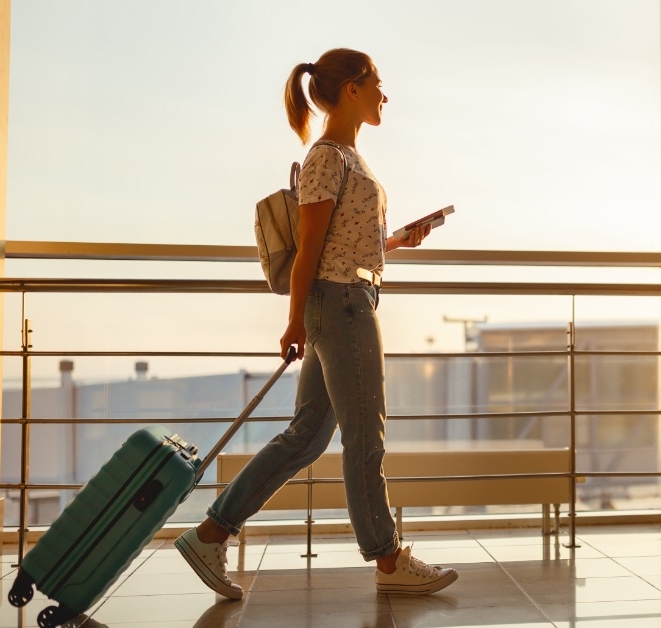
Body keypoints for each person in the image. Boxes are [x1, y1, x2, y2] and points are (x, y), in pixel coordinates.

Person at [176, 48, 457, 598]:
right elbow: (307, 252)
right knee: (364, 436)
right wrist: (295, 322)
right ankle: (388, 557)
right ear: (352, 87)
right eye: (378, 82)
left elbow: (341, 244)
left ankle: (210, 534)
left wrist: (395, 240)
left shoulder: (347, 156)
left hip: (347, 298)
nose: (384, 94)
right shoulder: (328, 156)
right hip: (342, 305)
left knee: (305, 437)